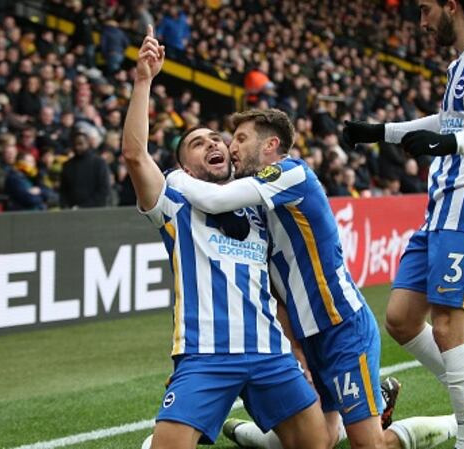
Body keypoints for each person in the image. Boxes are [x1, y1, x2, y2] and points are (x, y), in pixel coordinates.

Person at [166, 109, 459, 449]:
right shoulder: (254, 204)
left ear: (270, 144)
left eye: (242, 139)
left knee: (369, 444)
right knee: (324, 438)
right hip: (309, 336)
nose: (232, 146)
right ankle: (372, 397)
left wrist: (175, 177)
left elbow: (213, 198)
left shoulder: (290, 173)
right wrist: (293, 347)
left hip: (341, 327)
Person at [124, 27, 328, 449]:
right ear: (184, 166)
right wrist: (143, 81)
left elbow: (274, 290)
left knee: (318, 443)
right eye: (198, 144)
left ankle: (249, 433)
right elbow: (135, 155)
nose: (213, 144)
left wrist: (297, 350)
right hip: (206, 355)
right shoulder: (173, 202)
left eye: (216, 139)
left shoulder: (257, 205)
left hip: (270, 353)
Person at [343, 1, 464, 448]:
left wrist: (452, 142)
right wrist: (381, 132)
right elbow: (448, 122)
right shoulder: (459, 65)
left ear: (453, 5)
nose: (421, 22)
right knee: (402, 319)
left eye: (426, 10)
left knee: (448, 327)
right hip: (442, 210)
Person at [59, 128, 111, 209]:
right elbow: (63, 190)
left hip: (95, 211)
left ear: (88, 143)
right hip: (72, 212)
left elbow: (104, 190)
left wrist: (83, 207)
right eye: (75, 144)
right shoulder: (67, 165)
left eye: (80, 144)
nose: (77, 147)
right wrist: (67, 206)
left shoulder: (99, 163)